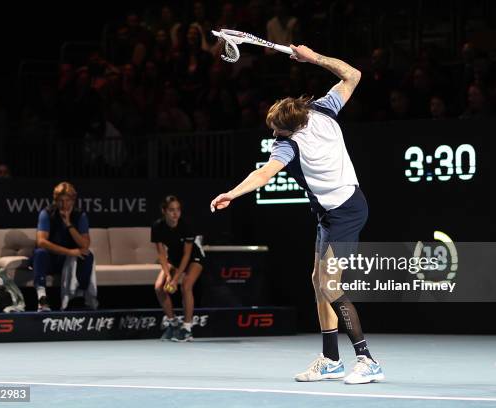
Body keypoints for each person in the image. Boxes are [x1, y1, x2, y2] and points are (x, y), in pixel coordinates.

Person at [210, 44, 384, 385]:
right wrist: (315, 58)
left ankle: (367, 359)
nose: (274, 134)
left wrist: (232, 193)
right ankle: (331, 359)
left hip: (347, 210)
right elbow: (352, 75)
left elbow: (263, 175)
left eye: (278, 130)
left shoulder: (289, 144)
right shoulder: (324, 108)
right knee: (318, 283)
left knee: (331, 287)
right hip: (327, 213)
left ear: (292, 127)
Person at [33, 182, 97, 311]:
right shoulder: (46, 213)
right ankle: (42, 297)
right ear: (55, 201)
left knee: (87, 255)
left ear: (73, 200)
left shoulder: (80, 216)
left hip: (68, 261)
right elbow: (41, 242)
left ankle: (79, 296)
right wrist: (69, 251)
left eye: (67, 200)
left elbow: (84, 244)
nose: (64, 205)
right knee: (40, 252)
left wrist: (68, 224)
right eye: (60, 201)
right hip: (51, 259)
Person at [151, 195, 205, 342]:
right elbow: (162, 255)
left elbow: (186, 255)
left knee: (186, 285)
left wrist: (175, 279)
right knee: (158, 287)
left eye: (178, 210)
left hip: (194, 256)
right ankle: (174, 324)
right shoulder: (157, 226)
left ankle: (187, 329)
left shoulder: (186, 225)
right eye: (171, 210)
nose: (175, 213)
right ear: (164, 211)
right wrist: (168, 275)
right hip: (174, 257)